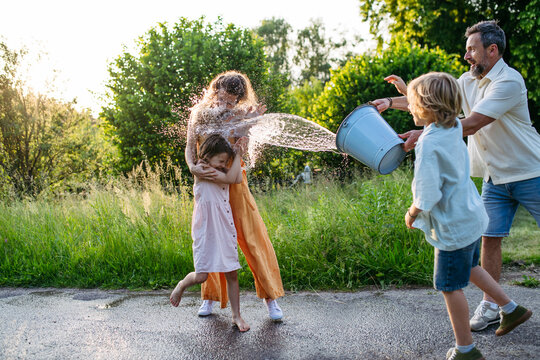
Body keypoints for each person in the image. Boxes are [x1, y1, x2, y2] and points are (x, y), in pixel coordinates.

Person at [372, 20, 540, 332]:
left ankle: (472, 339)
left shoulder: (509, 81)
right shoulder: (467, 81)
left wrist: (425, 134)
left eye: (472, 50)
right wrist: (392, 102)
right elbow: (438, 101)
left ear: (492, 50)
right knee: (489, 241)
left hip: (530, 172)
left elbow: (472, 122)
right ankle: (495, 306)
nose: (466, 56)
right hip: (493, 177)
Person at [404, 72, 532, 360]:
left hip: (453, 227)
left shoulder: (428, 143)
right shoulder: (452, 129)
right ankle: (511, 309)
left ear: (426, 106)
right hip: (471, 218)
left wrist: (412, 212)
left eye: (412, 102)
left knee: (450, 286)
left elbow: (427, 195)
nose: (410, 108)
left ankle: (466, 349)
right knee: (472, 266)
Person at [185, 71, 285, 320]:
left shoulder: (242, 115)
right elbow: (189, 147)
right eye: (223, 98)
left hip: (234, 183)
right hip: (207, 183)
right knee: (210, 238)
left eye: (232, 101)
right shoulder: (198, 113)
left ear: (239, 99)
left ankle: (270, 299)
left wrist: (247, 129)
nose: (226, 104)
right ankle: (209, 297)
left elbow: (244, 153)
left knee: (252, 238)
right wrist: (191, 166)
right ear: (214, 90)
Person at [170, 134, 250, 331]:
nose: (223, 165)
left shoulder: (219, 170)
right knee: (201, 276)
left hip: (223, 227)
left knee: (232, 273)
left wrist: (236, 155)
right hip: (205, 231)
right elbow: (233, 176)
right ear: (206, 157)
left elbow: (237, 177)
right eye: (221, 161)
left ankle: (236, 316)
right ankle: (181, 285)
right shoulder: (202, 170)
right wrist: (237, 154)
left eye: (225, 162)